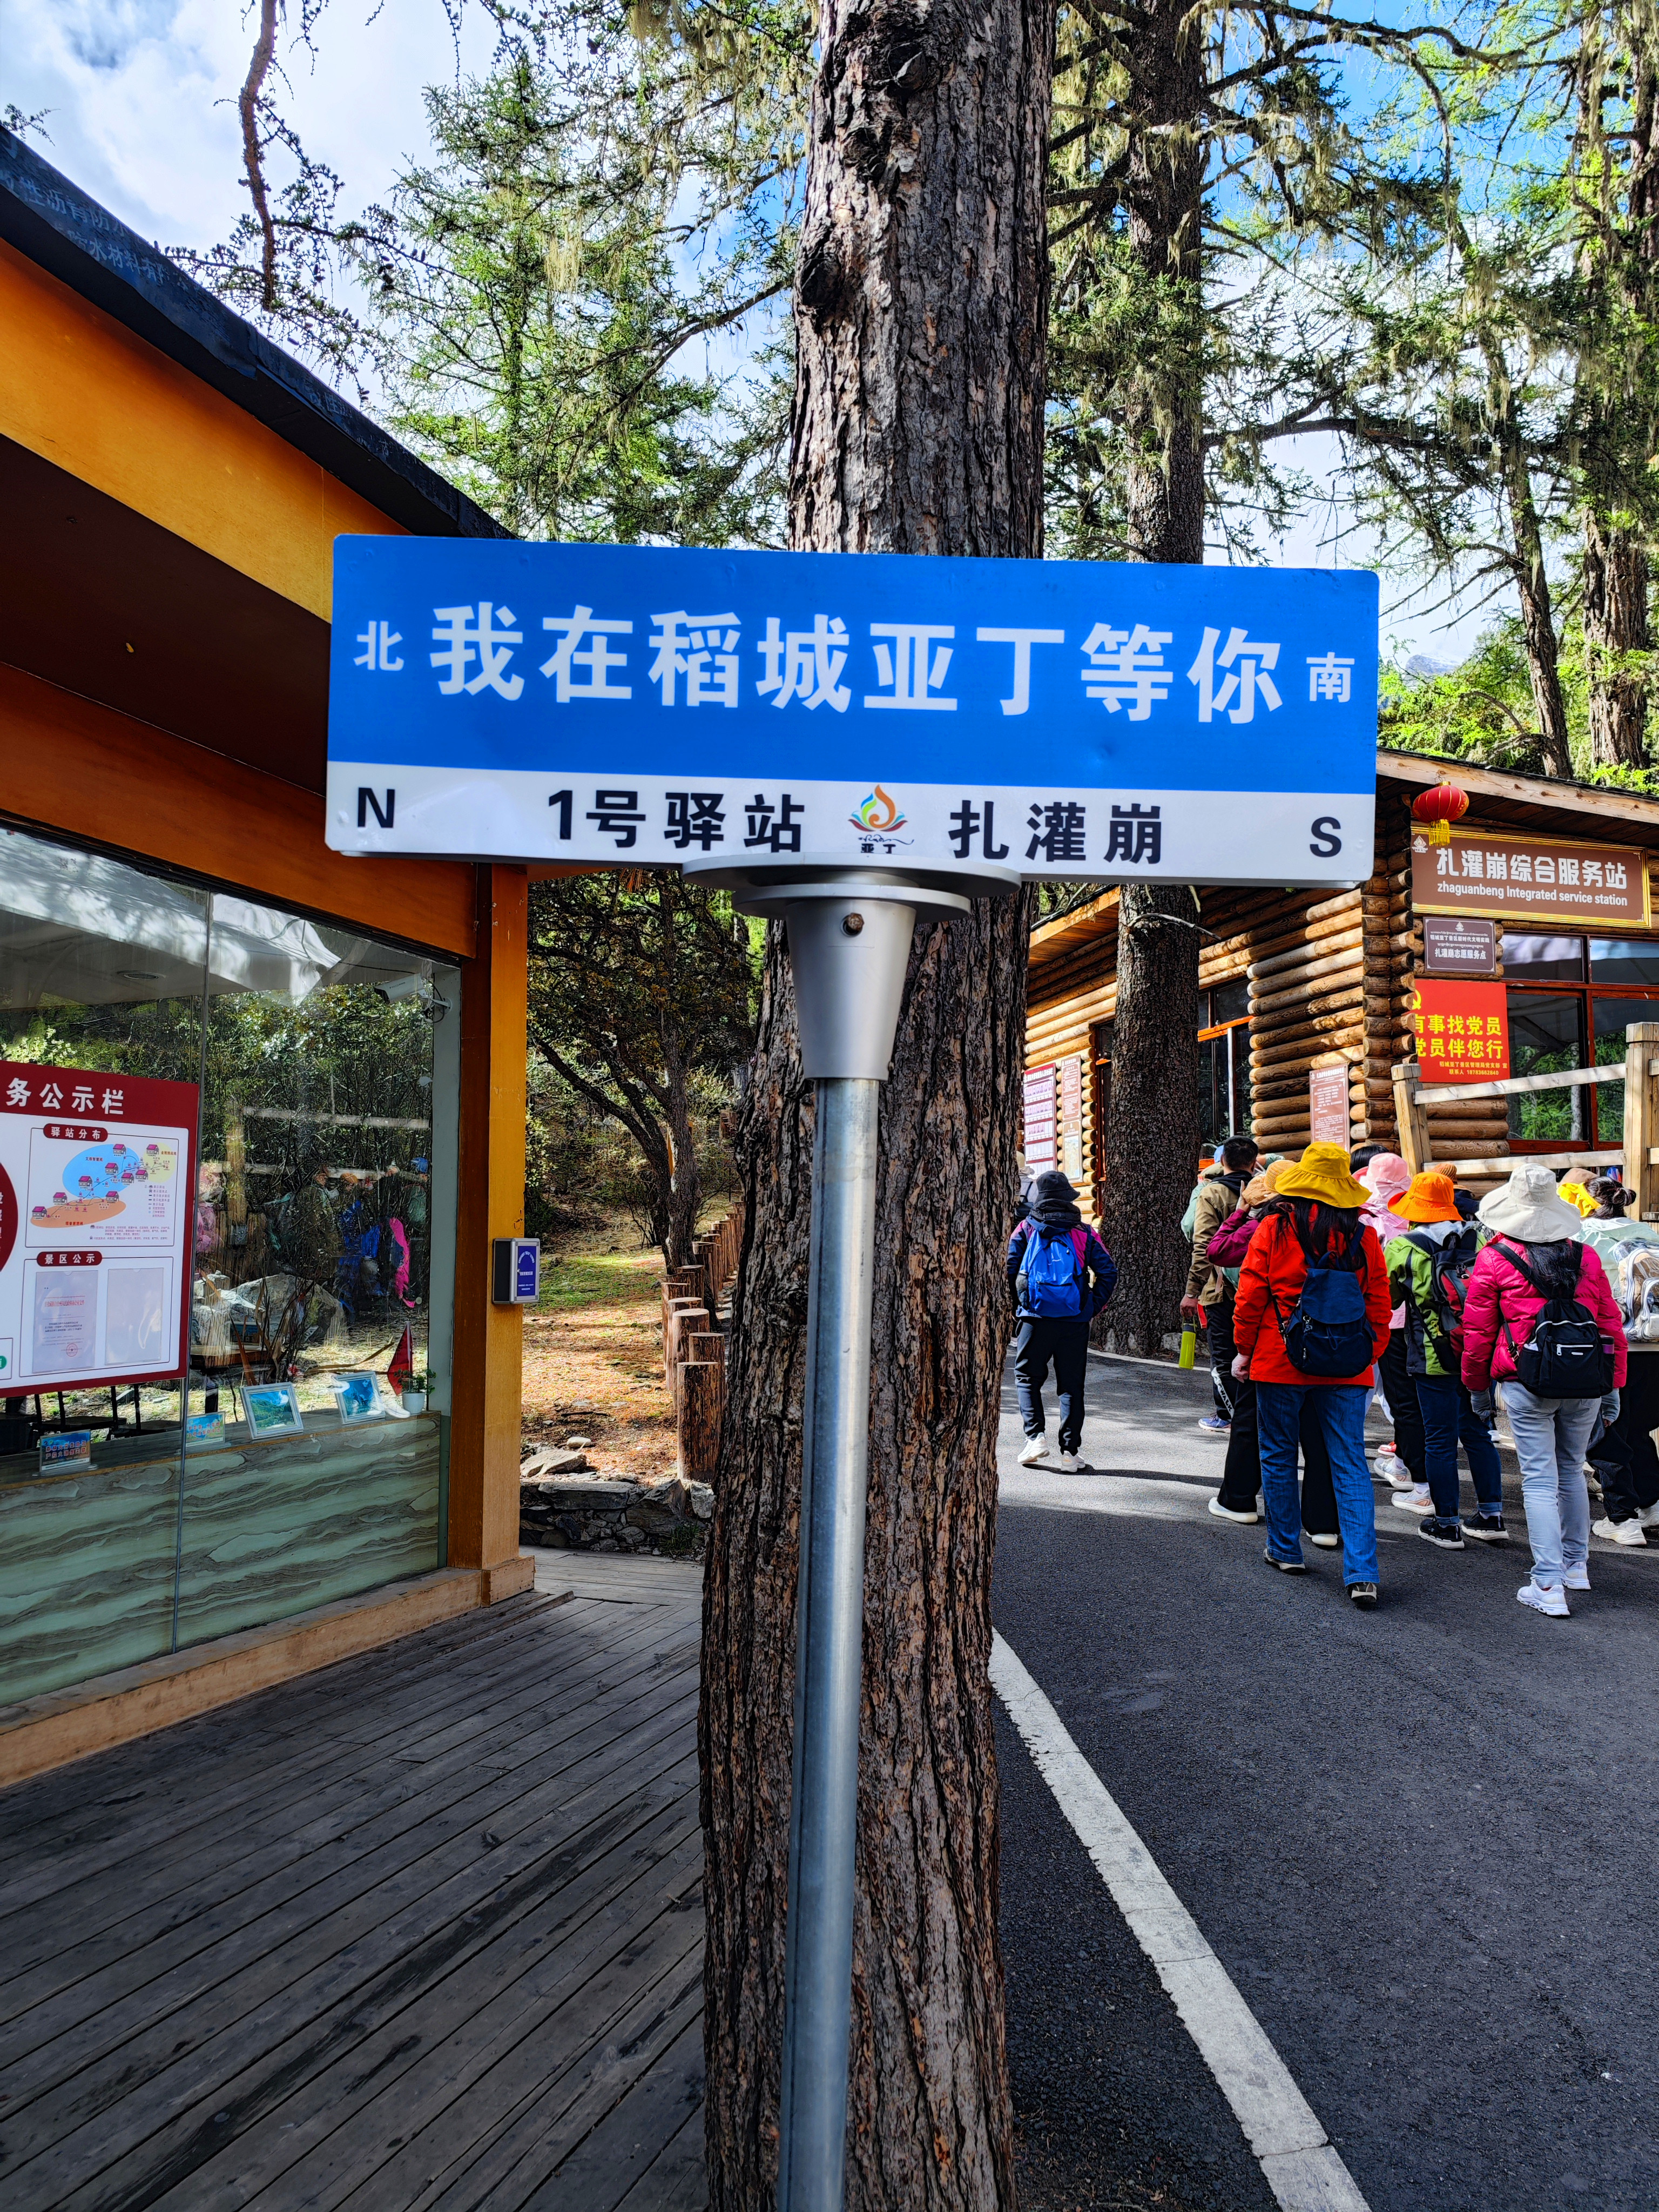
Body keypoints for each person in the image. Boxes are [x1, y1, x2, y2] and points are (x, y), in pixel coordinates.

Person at [1461, 1162, 1628, 1618]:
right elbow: (1610, 1325)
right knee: (1572, 1470)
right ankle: (1576, 1566)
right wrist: (1614, 1385)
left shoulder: (1494, 1258)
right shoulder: (1586, 1257)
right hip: (1586, 1378)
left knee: (1538, 1478)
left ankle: (1548, 1583)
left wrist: (1477, 1388)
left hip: (1524, 1378)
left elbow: (1478, 1334)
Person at [1231, 1142, 1392, 1606]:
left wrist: (1244, 1350)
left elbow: (1250, 1295)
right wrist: (1367, 1354)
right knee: (1350, 1462)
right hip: (1348, 1364)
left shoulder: (1275, 1228)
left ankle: (1285, 1549)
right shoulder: (1363, 1235)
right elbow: (1379, 1302)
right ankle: (1362, 1572)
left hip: (1280, 1357)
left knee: (1279, 1453)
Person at [1204, 1158, 1339, 1545]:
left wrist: (1243, 1350)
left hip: (1274, 1346)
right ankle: (1323, 1524)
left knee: (1254, 1426)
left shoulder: (1267, 1226)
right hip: (1332, 1345)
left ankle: (1240, 1502)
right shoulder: (1346, 1227)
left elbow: (1220, 1254)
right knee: (1320, 1433)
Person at [1386, 1171, 1507, 1548]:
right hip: (1479, 1351)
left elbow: (1390, 1300)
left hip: (1432, 1354)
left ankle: (1447, 1523)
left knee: (1439, 1440)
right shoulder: (1480, 1239)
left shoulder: (1404, 1247)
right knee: (1477, 1433)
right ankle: (1491, 1516)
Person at [1008, 1170, 1117, 1472]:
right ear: (1069, 1198)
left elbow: (1010, 1269)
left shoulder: (1025, 1229)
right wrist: (1090, 1307)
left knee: (1027, 1377)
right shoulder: (1084, 1232)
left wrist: (1020, 1306)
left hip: (1035, 1318)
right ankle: (1070, 1453)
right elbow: (1109, 1272)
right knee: (1071, 1386)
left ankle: (1035, 1438)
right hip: (1074, 1320)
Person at [1357, 1152, 1425, 1500]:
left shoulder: (1364, 1220)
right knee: (1407, 1398)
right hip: (1416, 1321)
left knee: (1366, 1393)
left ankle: (1411, 1474)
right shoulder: (1414, 1217)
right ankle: (1403, 1462)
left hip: (1375, 1318)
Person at [1181, 1135, 1259, 1434]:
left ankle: (1227, 1416)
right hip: (1259, 1286)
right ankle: (1256, 1415)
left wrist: (1192, 1292)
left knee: (1224, 1355)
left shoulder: (1211, 1193)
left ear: (1222, 1160)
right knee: (1255, 1352)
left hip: (1220, 1289)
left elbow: (1202, 1246)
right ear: (1254, 1162)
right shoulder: (1265, 1190)